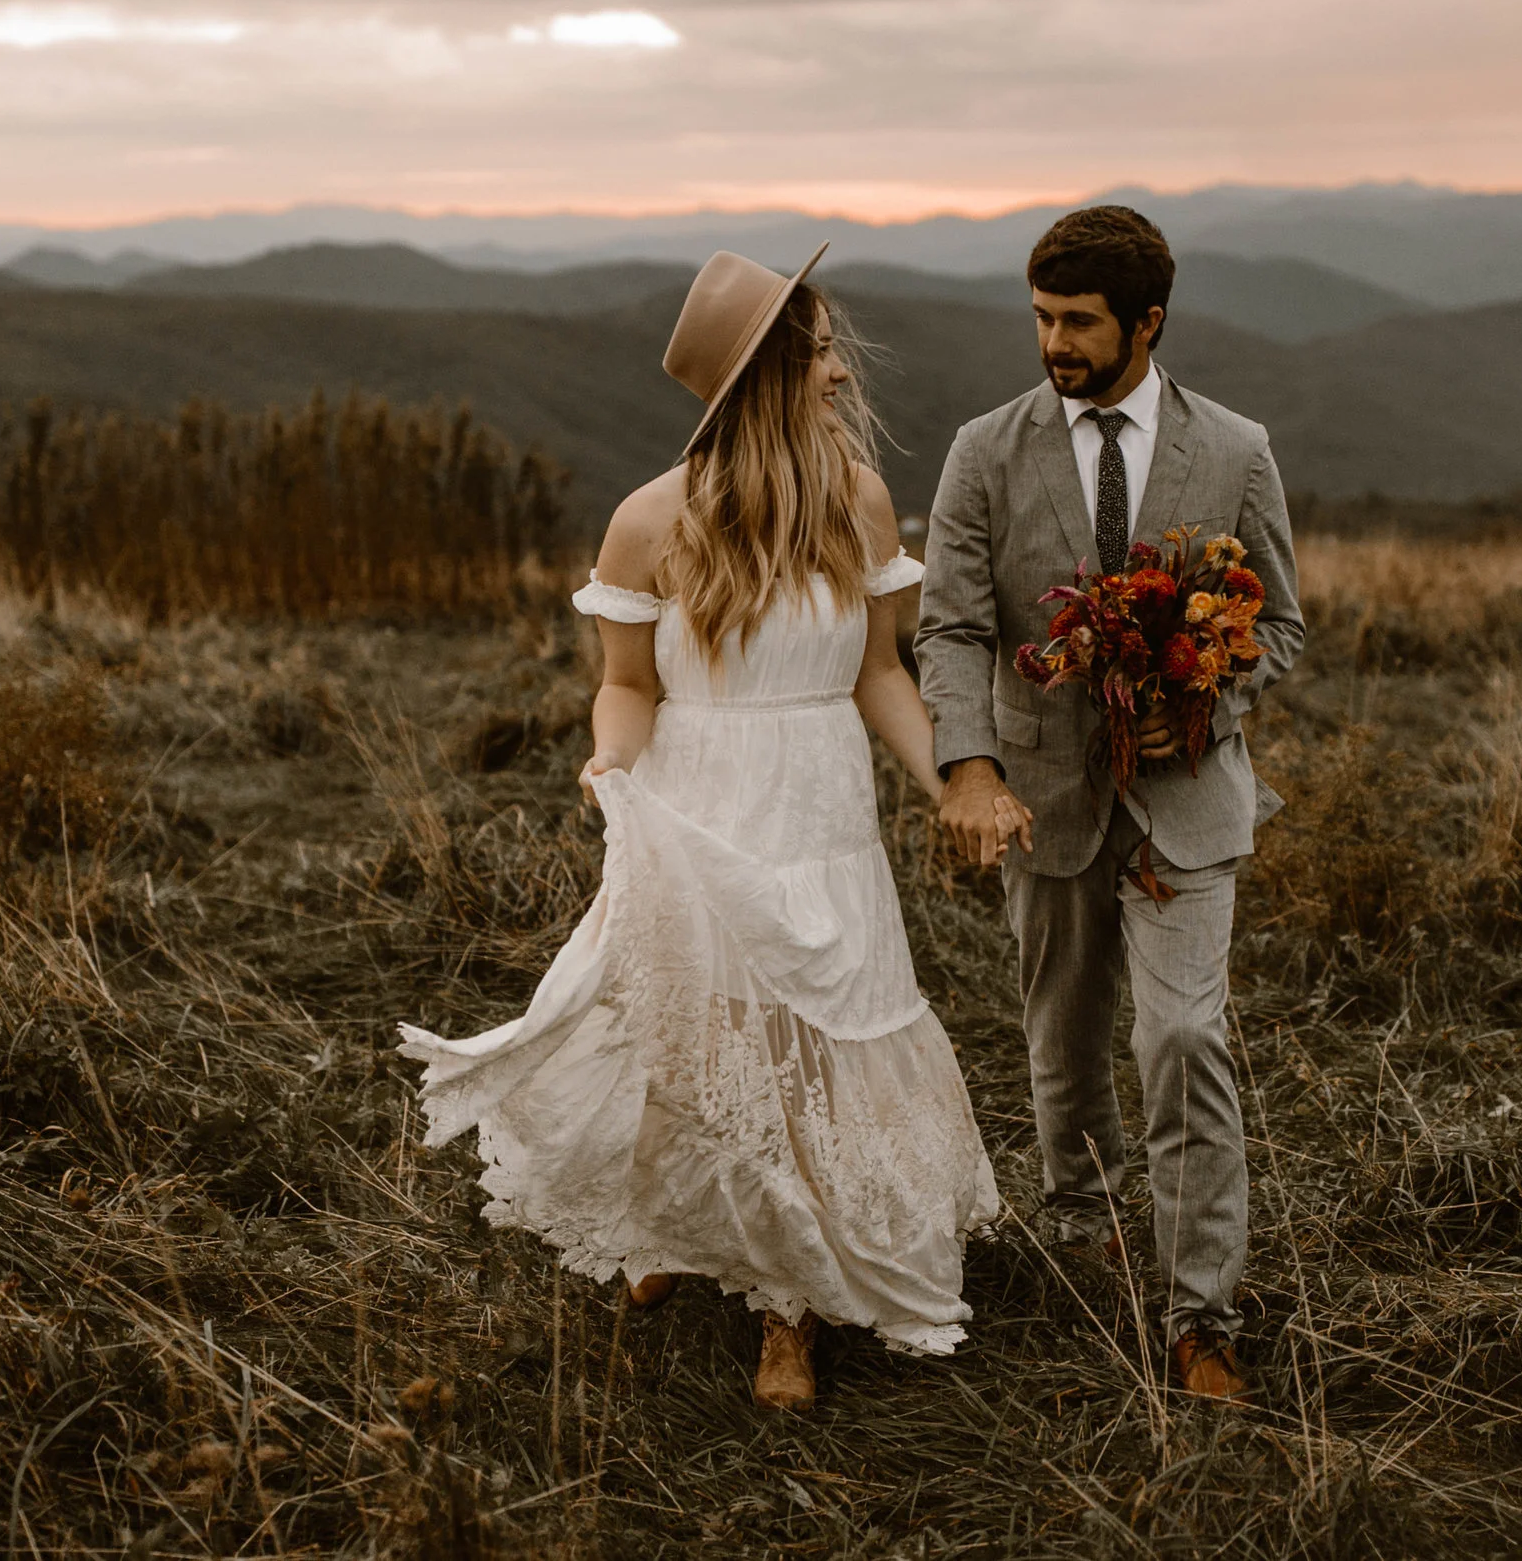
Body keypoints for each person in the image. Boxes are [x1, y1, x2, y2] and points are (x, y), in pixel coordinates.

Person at [399, 245, 1001, 1413]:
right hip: (698, 802)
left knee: (815, 1044)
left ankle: (792, 1309)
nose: (838, 373)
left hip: (820, 810)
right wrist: (608, 760)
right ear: (765, 375)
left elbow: (881, 671)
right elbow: (627, 684)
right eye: (819, 353)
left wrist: (952, 785)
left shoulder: (860, 500)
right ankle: (680, 1223)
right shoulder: (649, 521)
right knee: (699, 1029)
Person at [915, 206, 1306, 1402]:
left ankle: (1201, 1316)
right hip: (1038, 794)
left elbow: (1280, 628)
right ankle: (1083, 1231)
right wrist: (969, 767)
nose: (1054, 343)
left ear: (1147, 321)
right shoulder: (984, 449)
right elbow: (952, 624)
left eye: (1078, 321)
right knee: (1063, 1036)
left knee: (1182, 1036)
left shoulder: (1235, 449)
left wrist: (1203, 688)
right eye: (1040, 318)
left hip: (1186, 801)